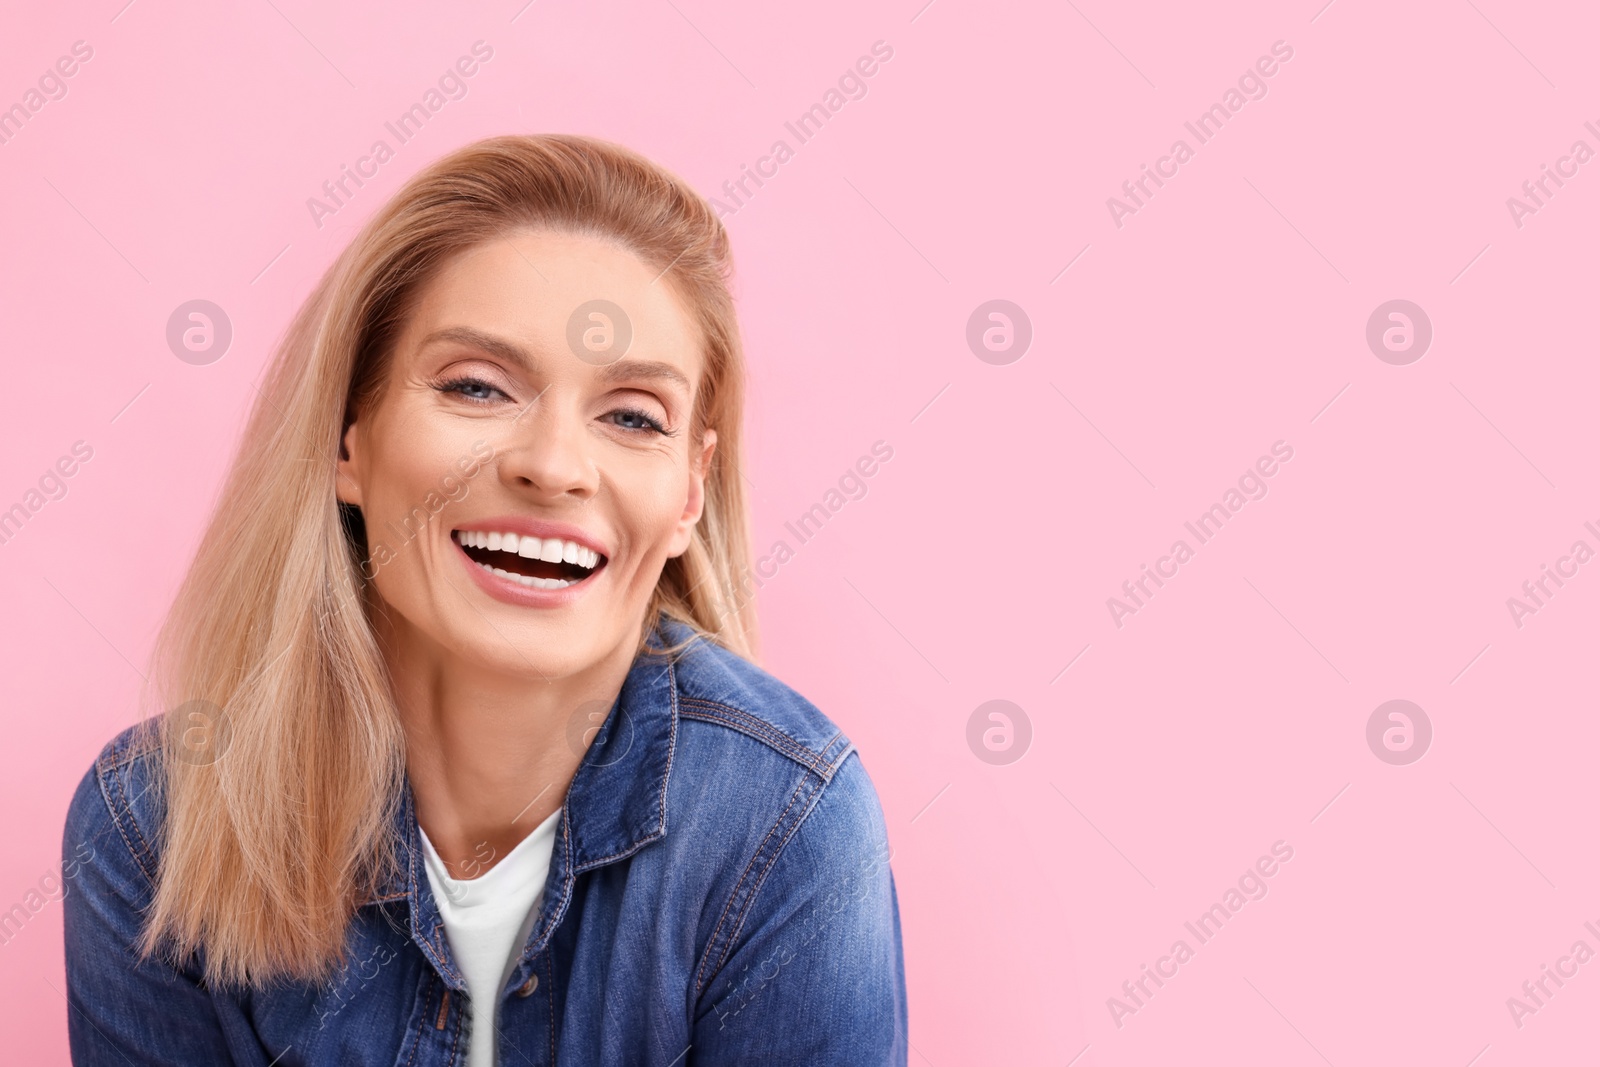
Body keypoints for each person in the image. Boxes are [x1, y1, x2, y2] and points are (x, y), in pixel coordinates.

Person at [61, 133, 907, 1066]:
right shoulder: (153, 830)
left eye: (632, 416)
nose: (550, 465)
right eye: (477, 386)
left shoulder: (784, 823)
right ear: (351, 437)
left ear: (689, 494)